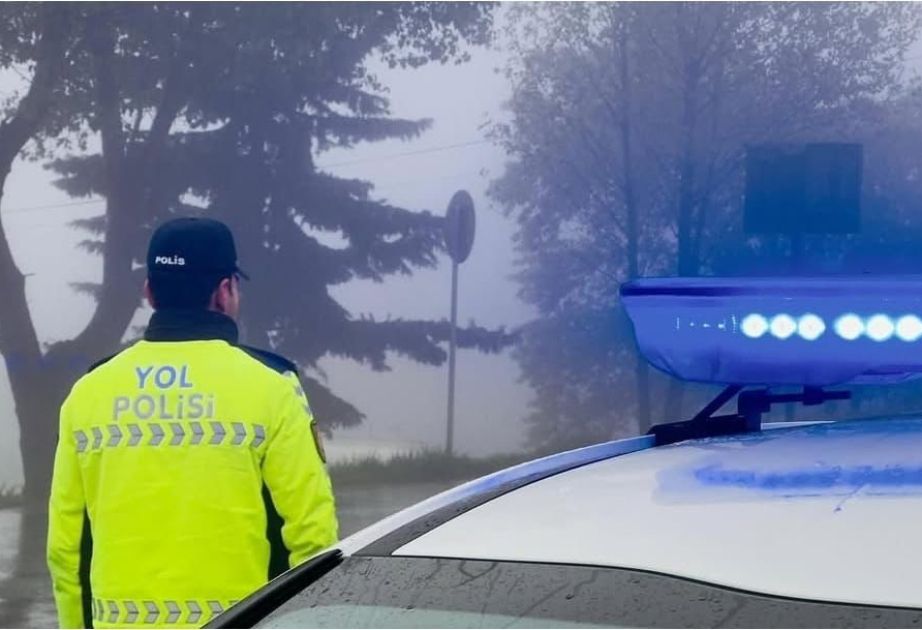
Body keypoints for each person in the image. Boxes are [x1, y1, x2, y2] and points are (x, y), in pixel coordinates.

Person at [47, 217, 338, 629]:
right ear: (225, 291)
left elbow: (68, 550)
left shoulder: (89, 393)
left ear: (149, 292)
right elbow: (312, 539)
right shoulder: (272, 385)